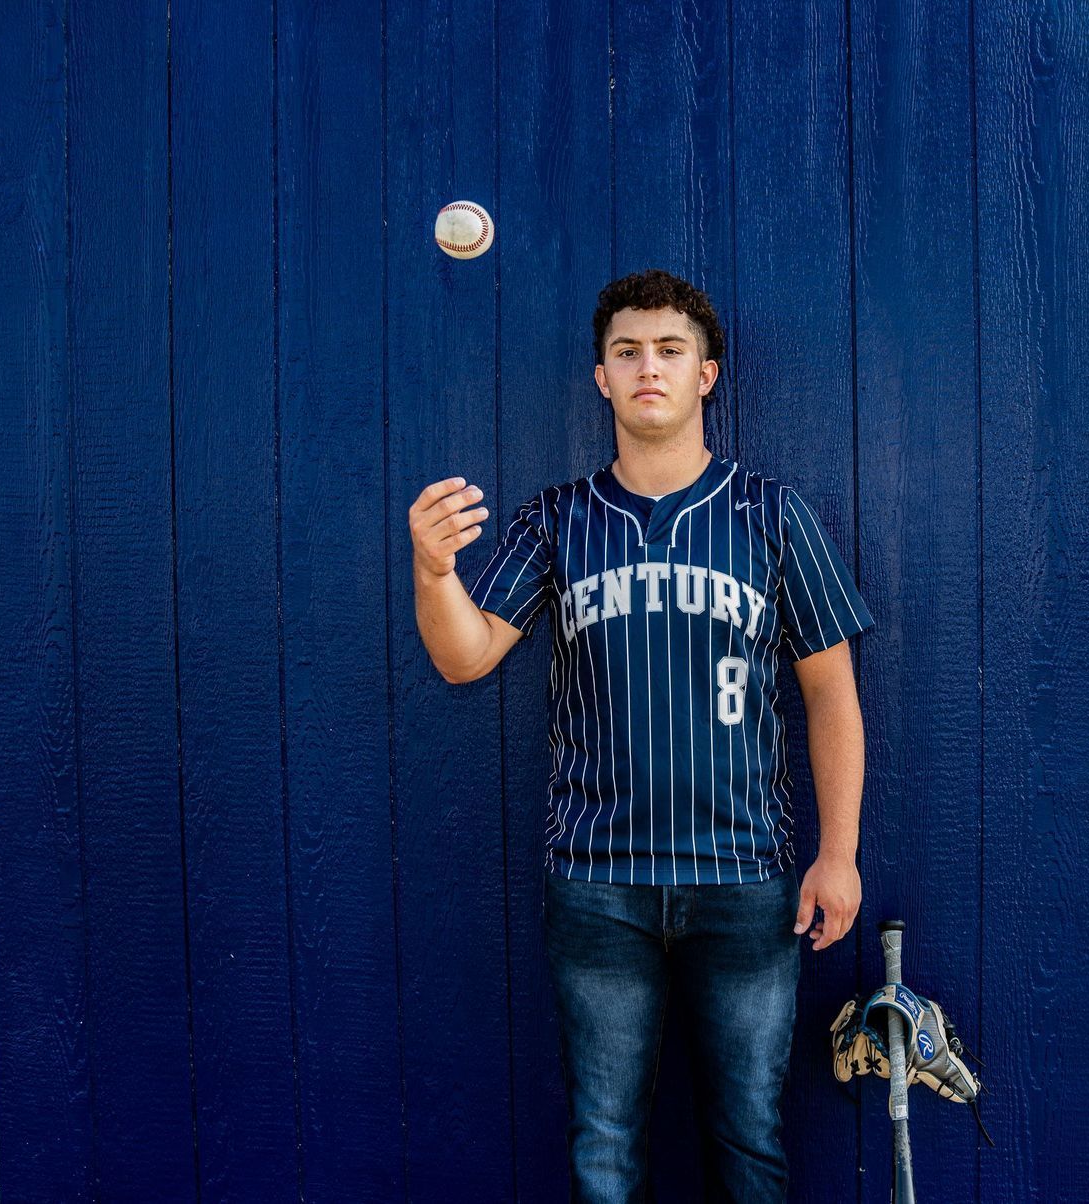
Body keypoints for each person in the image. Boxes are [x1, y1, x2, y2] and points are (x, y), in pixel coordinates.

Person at [408, 268, 875, 1202]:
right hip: (599, 884)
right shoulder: (557, 521)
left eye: (670, 350)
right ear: (602, 379)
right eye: (628, 352)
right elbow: (464, 659)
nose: (648, 367)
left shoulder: (773, 516)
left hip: (745, 879)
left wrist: (840, 855)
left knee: (749, 1143)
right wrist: (432, 571)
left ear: (707, 375)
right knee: (605, 1148)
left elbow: (830, 694)